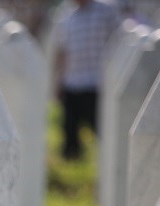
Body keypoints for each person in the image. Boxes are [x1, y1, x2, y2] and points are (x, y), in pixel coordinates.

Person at [52, 0, 122, 159]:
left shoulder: (106, 11)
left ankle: (108, 165)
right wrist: (58, 80)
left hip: (97, 83)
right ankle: (72, 170)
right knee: (70, 132)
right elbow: (63, 50)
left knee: (102, 131)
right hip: (73, 82)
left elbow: (120, 41)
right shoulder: (66, 15)